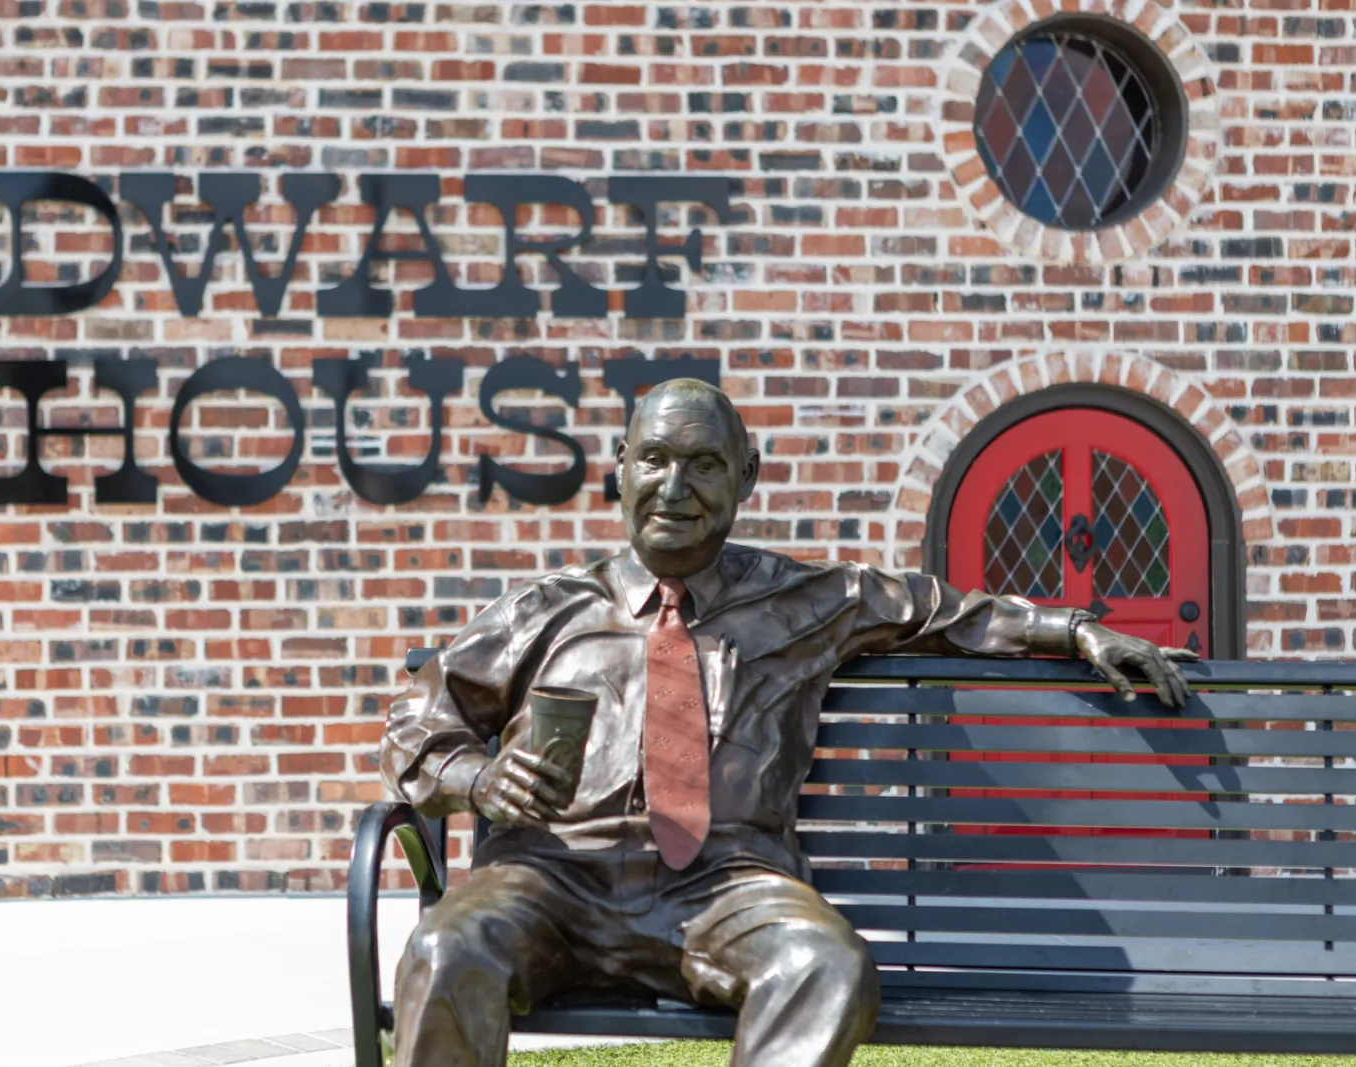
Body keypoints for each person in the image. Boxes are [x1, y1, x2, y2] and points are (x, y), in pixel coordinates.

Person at [380, 379, 1192, 1067]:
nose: (674, 487)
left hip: (724, 887)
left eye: (703, 464)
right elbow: (424, 718)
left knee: (825, 964)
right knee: (447, 949)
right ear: (619, 471)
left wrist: (1075, 628)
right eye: (654, 460)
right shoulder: (547, 610)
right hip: (549, 882)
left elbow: (947, 611)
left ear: (747, 476)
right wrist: (476, 780)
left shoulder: (805, 603)